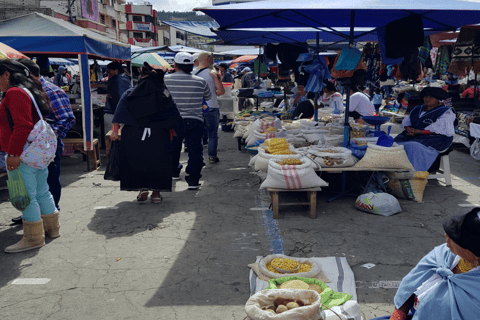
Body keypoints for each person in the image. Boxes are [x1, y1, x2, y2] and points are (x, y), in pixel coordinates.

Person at [371, 207, 480, 320]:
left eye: (454, 238)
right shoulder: (443, 254)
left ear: (474, 252)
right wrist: (399, 314)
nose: (446, 236)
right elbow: (413, 283)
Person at [0, 60, 60, 253]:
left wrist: (13, 154)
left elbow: (22, 125)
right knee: (42, 191)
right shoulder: (29, 91)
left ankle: (33, 238)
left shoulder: (14, 93)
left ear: (6, 74)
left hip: (23, 153)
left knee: (26, 195)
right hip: (35, 152)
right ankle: (52, 229)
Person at [110, 62, 182, 203]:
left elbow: (118, 115)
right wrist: (173, 132)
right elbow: (174, 116)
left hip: (133, 134)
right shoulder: (164, 94)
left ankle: (142, 189)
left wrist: (114, 131)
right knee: (158, 163)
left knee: (138, 162)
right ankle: (156, 194)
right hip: (158, 135)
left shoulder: (130, 93)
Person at [15, 59, 76, 219]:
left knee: (48, 181)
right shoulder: (24, 92)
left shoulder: (51, 90)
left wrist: (46, 138)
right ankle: (32, 216)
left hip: (45, 146)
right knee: (31, 184)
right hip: (27, 148)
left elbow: (67, 118)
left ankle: (50, 215)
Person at [164, 52, 211, 189]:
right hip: (195, 120)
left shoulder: (165, 80)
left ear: (175, 65)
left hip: (173, 121)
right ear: (191, 66)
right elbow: (207, 97)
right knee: (195, 151)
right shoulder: (200, 81)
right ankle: (193, 180)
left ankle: (174, 172)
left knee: (172, 148)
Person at [394, 87, 455, 171]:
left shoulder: (445, 111)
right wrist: (409, 129)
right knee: (394, 143)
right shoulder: (417, 108)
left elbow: (441, 129)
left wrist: (419, 132)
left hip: (435, 138)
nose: (427, 99)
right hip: (415, 136)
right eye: (425, 96)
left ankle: (414, 173)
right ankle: (397, 170)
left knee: (413, 147)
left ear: (438, 99)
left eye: (431, 97)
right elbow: (407, 122)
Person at [194, 51, 225, 164]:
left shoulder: (191, 73)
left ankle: (198, 158)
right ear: (208, 58)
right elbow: (221, 91)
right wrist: (213, 92)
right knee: (212, 134)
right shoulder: (212, 72)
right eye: (212, 58)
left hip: (196, 108)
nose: (213, 60)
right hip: (211, 106)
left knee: (197, 134)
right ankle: (212, 157)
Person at [103, 62, 132, 133]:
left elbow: (120, 97)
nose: (108, 72)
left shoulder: (118, 80)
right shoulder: (123, 78)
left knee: (113, 132)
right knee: (118, 132)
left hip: (116, 112)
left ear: (116, 70)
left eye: (109, 70)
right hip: (120, 111)